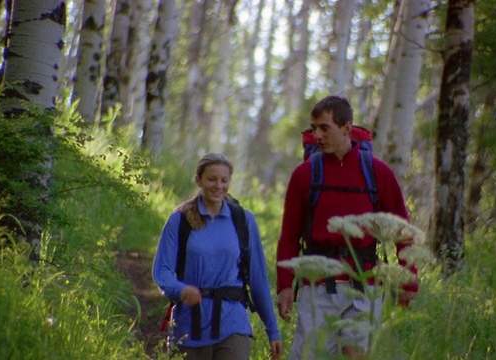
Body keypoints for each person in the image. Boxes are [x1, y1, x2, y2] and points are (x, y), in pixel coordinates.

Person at [276, 95, 418, 359]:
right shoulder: (305, 174)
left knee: (358, 355)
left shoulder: (378, 173)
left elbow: (402, 229)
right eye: (314, 128)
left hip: (364, 287)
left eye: (324, 128)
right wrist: (285, 286)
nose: (317, 135)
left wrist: (408, 279)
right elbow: (289, 235)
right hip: (317, 288)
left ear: (346, 128)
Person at [153, 153, 282, 360]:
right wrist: (182, 290)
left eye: (224, 180)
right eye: (212, 179)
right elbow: (162, 271)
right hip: (189, 326)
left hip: (233, 323)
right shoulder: (180, 220)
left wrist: (272, 330)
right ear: (199, 180)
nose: (218, 186)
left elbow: (259, 279)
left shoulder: (243, 220)